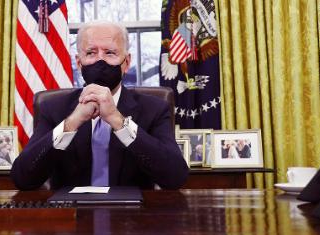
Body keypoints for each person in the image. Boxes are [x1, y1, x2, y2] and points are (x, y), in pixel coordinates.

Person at [11, 21, 189, 190]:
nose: (100, 61)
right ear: (79, 62)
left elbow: (174, 177)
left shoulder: (154, 109)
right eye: (91, 53)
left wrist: (117, 120)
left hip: (132, 217)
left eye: (110, 53)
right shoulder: (53, 109)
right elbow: (23, 178)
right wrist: (72, 123)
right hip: (72, 215)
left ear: (126, 62)